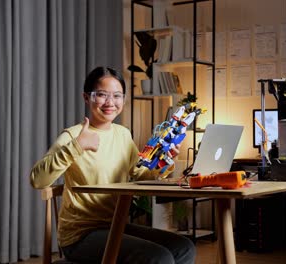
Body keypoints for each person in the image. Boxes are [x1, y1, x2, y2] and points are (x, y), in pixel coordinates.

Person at [30, 67, 196, 263]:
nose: (110, 102)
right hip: (81, 234)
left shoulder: (123, 134)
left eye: (117, 96)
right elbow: (38, 180)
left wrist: (164, 162)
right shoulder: (73, 135)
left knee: (183, 247)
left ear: (123, 100)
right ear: (86, 97)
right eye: (101, 95)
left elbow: (141, 175)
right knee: (158, 257)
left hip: (116, 225)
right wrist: (76, 147)